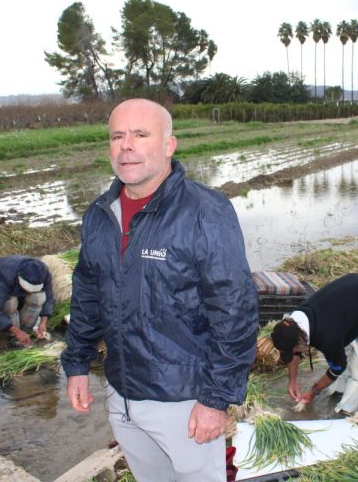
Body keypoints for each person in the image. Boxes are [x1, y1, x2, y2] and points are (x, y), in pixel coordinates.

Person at [60, 98, 258, 482]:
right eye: (117, 135)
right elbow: (87, 293)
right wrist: (78, 364)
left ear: (169, 145)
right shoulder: (101, 213)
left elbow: (234, 311)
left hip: (184, 403)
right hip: (122, 395)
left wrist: (215, 400)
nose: (126, 145)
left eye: (140, 134)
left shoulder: (205, 212)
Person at [270, 272, 358, 415]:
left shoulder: (327, 338)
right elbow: (295, 351)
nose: (293, 354)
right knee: (343, 350)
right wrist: (293, 380)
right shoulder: (293, 320)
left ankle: (346, 412)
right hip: (351, 293)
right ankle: (338, 393)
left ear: (301, 341)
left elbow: (338, 368)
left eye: (293, 350)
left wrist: (314, 391)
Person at [0, 255, 53, 347]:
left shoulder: (43, 273)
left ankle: (26, 329)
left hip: (15, 282)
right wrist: (16, 331)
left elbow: (49, 298)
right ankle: (13, 336)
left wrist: (43, 323)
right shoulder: (4, 276)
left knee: (38, 298)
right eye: (28, 289)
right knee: (10, 304)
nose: (29, 292)